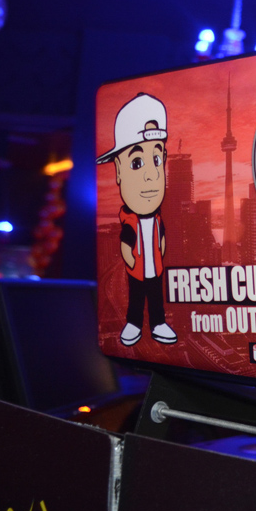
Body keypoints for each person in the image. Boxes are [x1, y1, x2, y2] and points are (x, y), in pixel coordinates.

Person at [96, 92, 177, 347]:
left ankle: (158, 323)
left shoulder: (158, 219)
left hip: (155, 268)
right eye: (137, 162)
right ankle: (133, 323)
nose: (151, 176)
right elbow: (125, 245)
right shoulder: (129, 223)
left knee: (156, 297)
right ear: (118, 170)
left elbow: (161, 239)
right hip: (138, 270)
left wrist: (160, 254)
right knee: (136, 297)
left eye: (157, 160)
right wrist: (132, 263)